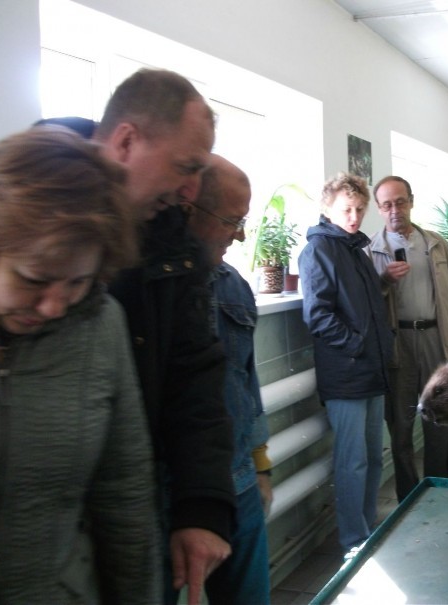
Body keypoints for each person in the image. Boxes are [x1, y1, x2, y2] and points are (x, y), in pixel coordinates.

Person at [39, 68, 235, 604]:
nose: (192, 191)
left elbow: (193, 377)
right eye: (184, 167)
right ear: (126, 141)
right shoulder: (12, 207)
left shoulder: (175, 247)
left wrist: (202, 506)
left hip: (126, 511)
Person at [0, 125, 159, 603]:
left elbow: (125, 491)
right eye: (34, 278)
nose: (55, 306)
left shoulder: (99, 323)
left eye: (77, 282)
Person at [184, 155, 272, 605]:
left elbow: (246, 382)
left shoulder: (235, 286)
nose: (240, 234)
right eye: (232, 221)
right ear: (188, 207)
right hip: (176, 504)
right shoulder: (147, 290)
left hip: (241, 485)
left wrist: (260, 466)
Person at [298, 173, 393, 552]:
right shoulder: (318, 250)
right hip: (347, 373)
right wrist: (357, 346)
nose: (354, 217)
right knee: (352, 462)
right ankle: (354, 543)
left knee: (372, 458)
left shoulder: (356, 249)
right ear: (327, 209)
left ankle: (367, 529)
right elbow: (318, 315)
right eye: (345, 210)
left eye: (359, 209)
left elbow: (365, 307)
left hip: (371, 370)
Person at [369, 176, 448, 502]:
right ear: (380, 209)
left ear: (411, 201)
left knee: (441, 419)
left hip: (435, 339)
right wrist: (383, 280)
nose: (395, 209)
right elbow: (368, 301)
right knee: (400, 424)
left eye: (400, 201)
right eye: (387, 204)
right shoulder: (371, 250)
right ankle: (408, 498)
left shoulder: (435, 243)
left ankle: (437, 490)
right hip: (398, 345)